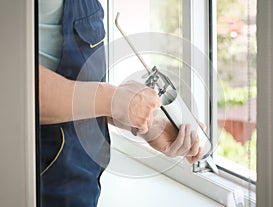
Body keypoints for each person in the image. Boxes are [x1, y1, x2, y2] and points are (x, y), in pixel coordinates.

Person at [39, 0, 202, 206]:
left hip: (81, 188)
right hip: (39, 187)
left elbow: (76, 84)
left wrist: (149, 124)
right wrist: (112, 98)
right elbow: (14, 86)